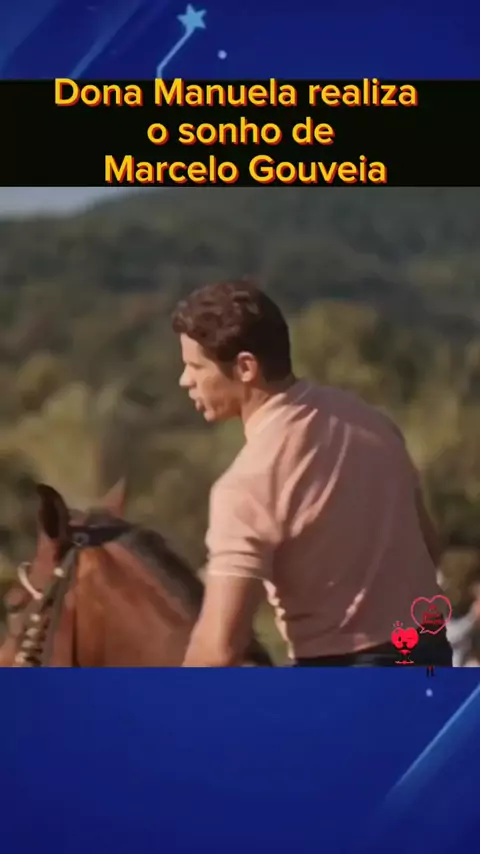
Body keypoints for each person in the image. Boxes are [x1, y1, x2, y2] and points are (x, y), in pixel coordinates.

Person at [171, 279, 452, 667]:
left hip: (341, 680)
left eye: (195, 366)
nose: (185, 380)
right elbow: (428, 549)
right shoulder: (373, 423)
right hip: (432, 667)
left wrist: (173, 704)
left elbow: (218, 650)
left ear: (246, 367)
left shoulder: (248, 482)